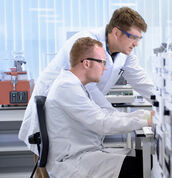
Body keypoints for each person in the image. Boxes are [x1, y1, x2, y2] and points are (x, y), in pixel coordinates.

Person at [19, 6, 153, 162]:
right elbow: (89, 88)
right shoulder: (86, 44)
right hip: (53, 111)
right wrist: (117, 116)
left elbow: (141, 81)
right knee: (50, 161)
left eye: (139, 38)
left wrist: (165, 104)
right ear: (116, 33)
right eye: (133, 37)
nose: (136, 43)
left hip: (79, 114)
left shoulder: (125, 53)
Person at [45, 37, 151, 178]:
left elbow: (106, 114)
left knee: (144, 158)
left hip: (85, 154)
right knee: (142, 166)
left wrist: (144, 115)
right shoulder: (67, 86)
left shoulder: (77, 85)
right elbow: (102, 123)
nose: (105, 67)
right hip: (73, 162)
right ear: (87, 63)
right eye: (102, 62)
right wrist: (147, 119)